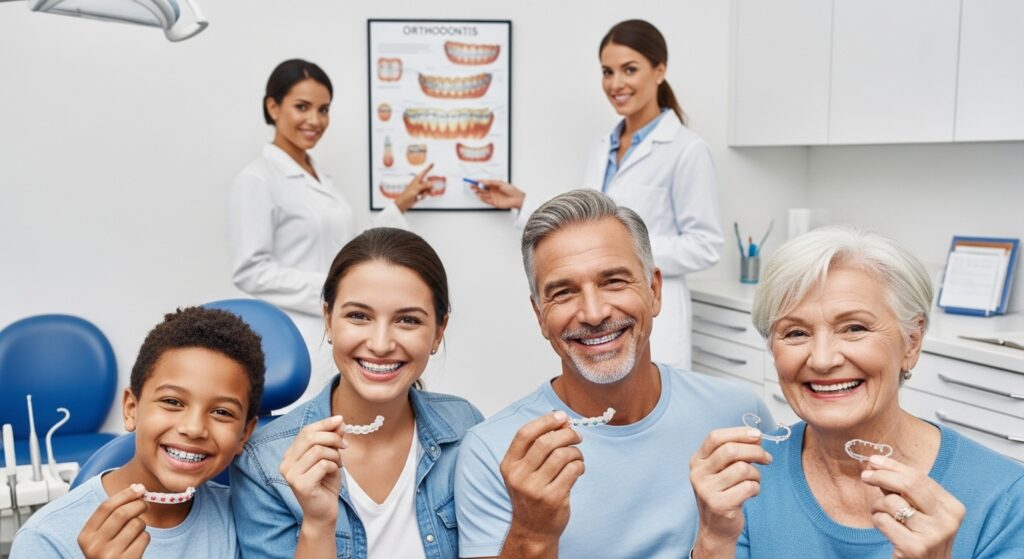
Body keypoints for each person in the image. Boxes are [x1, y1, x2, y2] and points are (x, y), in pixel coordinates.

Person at [454, 190, 768, 558]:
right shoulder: (493, 452)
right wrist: (531, 531)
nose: (593, 312)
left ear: (654, 291)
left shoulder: (738, 417)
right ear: (540, 315)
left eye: (613, 281)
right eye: (563, 292)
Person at [689, 226, 1024, 558]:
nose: (822, 359)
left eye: (854, 328)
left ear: (912, 341)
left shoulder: (1006, 498)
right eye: (795, 333)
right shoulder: (744, 478)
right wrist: (712, 539)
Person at [471, 19, 723, 370]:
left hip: (648, 309)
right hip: (599, 305)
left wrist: (630, 254)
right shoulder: (603, 145)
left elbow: (705, 245)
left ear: (659, 70)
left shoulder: (687, 149)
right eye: (607, 72)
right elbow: (590, 222)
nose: (616, 83)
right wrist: (522, 203)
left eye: (629, 70)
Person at [231, 227, 484, 559]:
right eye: (358, 316)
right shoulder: (263, 461)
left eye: (407, 320)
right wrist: (318, 525)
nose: (380, 344)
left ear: (439, 332)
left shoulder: (466, 427)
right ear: (328, 319)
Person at [229, 59, 435, 405]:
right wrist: (331, 291)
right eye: (302, 107)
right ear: (273, 107)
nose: (315, 120)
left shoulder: (320, 176)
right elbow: (251, 271)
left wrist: (400, 205)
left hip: (337, 327)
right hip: (296, 337)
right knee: (308, 427)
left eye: (323, 109)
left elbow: (348, 252)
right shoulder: (258, 179)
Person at [11, 307, 265, 558]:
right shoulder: (46, 539)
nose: (194, 428)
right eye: (172, 402)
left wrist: (308, 523)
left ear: (244, 434)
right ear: (131, 409)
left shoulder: (248, 519)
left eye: (222, 412)